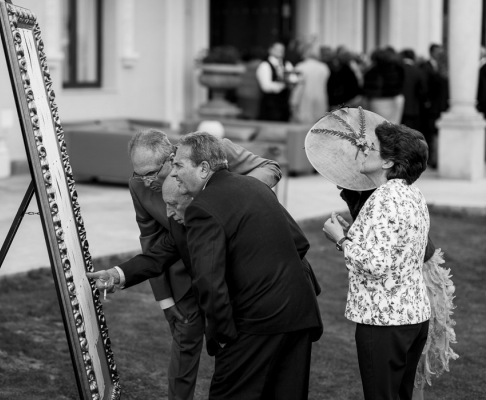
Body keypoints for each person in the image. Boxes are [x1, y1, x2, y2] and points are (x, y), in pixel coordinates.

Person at [90, 132, 322, 399]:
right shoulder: (252, 188)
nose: (170, 215)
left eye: (174, 205)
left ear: (201, 173)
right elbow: (299, 242)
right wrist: (117, 274)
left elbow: (210, 284)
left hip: (254, 323)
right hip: (300, 314)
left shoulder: (204, 208)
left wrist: (222, 337)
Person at [123, 129, 282, 400]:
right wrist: (165, 299)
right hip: (183, 277)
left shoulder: (215, 150)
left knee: (237, 347)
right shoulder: (139, 185)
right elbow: (150, 239)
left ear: (172, 157)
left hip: (234, 272)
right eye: (139, 174)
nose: (146, 181)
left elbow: (270, 168)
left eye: (151, 173)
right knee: (183, 350)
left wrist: (231, 196)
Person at [323, 122, 432, 400]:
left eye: (372, 147)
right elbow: (395, 251)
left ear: (387, 161)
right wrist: (352, 236)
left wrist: (340, 240)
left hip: (385, 321)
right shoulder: (411, 193)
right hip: (413, 316)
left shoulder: (384, 198)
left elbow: (375, 265)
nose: (364, 151)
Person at [420, 44, 449, 167]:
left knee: (434, 135)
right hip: (443, 107)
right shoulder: (444, 75)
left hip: (437, 108)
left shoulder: (439, 76)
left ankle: (435, 159)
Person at [290, 44, 331, 123]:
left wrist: (293, 102)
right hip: (321, 99)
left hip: (304, 100)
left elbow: (298, 87)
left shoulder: (300, 67)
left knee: (304, 129)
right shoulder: (324, 67)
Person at [363, 47, 406, 123]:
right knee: (393, 126)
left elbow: (367, 89)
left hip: (377, 100)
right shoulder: (397, 69)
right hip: (394, 99)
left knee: (378, 125)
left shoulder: (371, 71)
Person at [256, 41, 294, 121]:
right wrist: (283, 85)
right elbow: (266, 86)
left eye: (282, 49)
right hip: (270, 105)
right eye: (277, 49)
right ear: (270, 50)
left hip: (284, 104)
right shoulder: (265, 65)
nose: (280, 51)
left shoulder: (287, 64)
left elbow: (293, 78)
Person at [400, 49, 427, 131]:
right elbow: (423, 90)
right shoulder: (418, 71)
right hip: (413, 108)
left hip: (399, 107)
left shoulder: (398, 70)